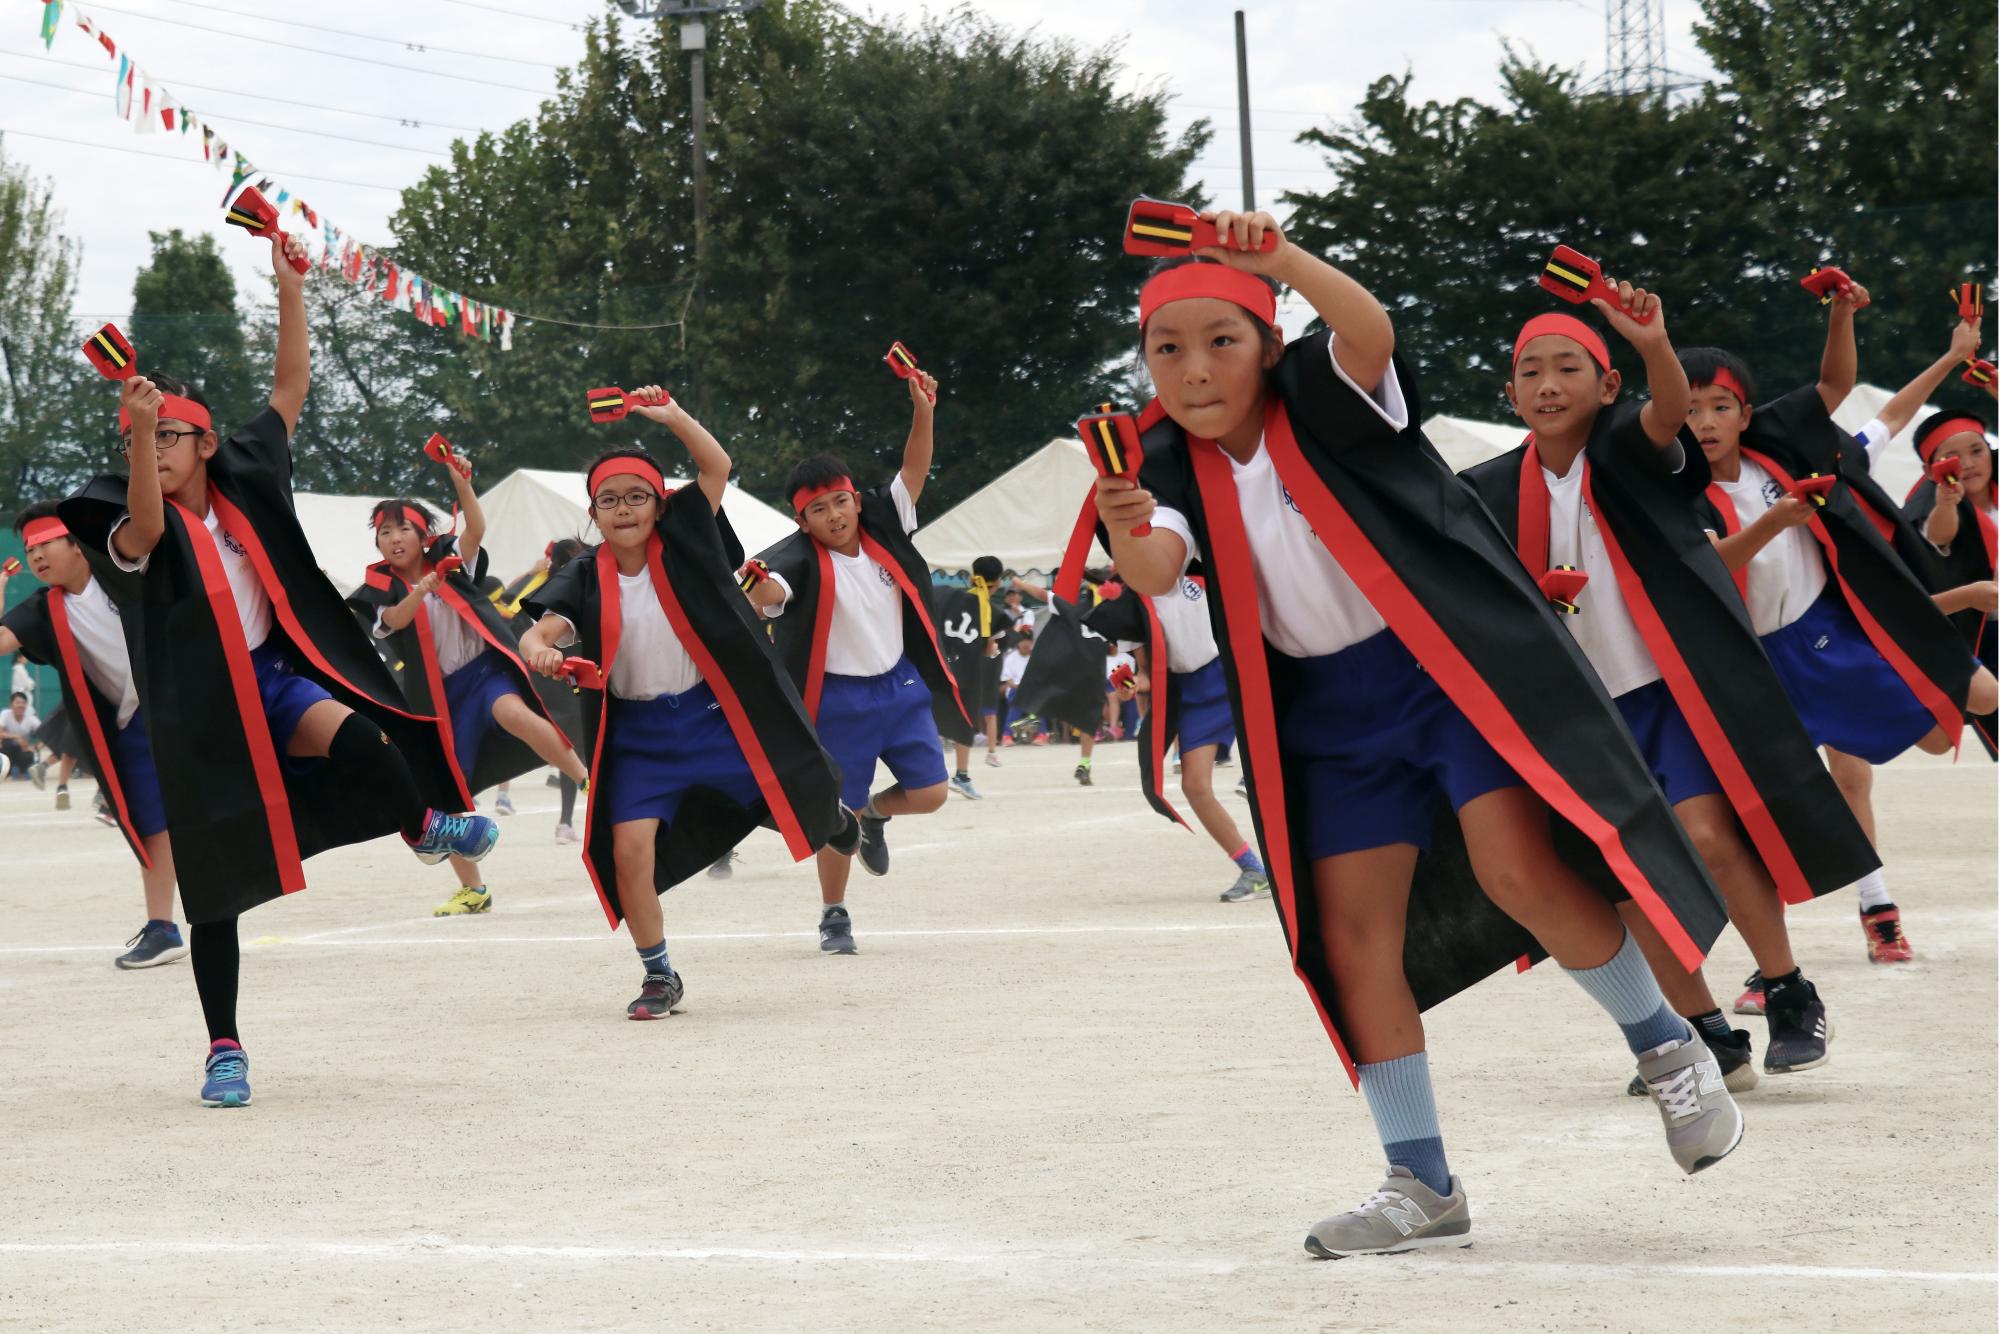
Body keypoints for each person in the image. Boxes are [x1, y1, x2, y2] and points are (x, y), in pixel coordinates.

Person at [1091, 210, 1740, 1258]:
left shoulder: (1323, 392)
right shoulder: (1159, 457)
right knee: (1351, 943)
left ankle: (1667, 1047)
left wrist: (1282, 260)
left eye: (1221, 340)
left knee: (1516, 867)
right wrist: (1125, 522)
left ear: (1266, 343)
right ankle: (1420, 1180)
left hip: (1438, 675)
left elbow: (1371, 332)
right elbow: (1156, 572)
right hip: (1321, 716)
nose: (1193, 369)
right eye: (1166, 348)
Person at [59, 231, 498, 1107]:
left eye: (172, 438)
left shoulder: (249, 471)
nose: (155, 451)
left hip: (267, 676)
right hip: (195, 713)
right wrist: (140, 430)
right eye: (144, 441)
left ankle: (421, 826)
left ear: (208, 441)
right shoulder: (117, 514)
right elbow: (147, 532)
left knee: (366, 741)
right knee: (213, 893)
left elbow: (290, 385)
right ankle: (224, 1047)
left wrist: (291, 285)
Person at [1461, 303, 1878, 1087]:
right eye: (1530, 372)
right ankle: (1705, 1031)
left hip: (1666, 691)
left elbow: (1666, 408)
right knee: (1623, 882)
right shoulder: (1482, 489)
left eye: (1568, 368)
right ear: (1510, 393)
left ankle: (1787, 988)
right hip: (1578, 717)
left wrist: (1653, 341)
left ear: (1607, 381)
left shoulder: (1630, 448)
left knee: (1713, 841)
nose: (1548, 386)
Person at [1675, 308, 1997, 1008]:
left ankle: (1875, 911)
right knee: (1774, 808)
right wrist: (1775, 520)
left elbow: (1869, 403)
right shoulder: (1677, 494)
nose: (1705, 419)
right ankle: (1803, 952)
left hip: (1826, 638)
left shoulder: (1792, 455)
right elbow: (1702, 573)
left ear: (1745, 411)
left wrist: (1871, 324)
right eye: (1690, 407)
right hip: (1756, 663)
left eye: (1720, 405)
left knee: (1964, 710)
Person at [519, 390, 856, 1018]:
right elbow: (543, 626)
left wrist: (670, 416)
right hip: (638, 738)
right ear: (594, 513)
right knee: (628, 853)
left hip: (711, 720)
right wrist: (539, 647)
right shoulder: (586, 573)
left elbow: (717, 468)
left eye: (636, 496)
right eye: (609, 500)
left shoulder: (688, 545)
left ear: (658, 504)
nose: (623, 509)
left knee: (798, 799)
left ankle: (832, 818)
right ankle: (659, 975)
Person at [741, 366, 959, 953]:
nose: (835, 516)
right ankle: (833, 914)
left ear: (855, 500)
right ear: (801, 521)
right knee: (833, 822)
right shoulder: (796, 561)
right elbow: (767, 597)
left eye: (842, 502)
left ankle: (877, 816)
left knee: (933, 794)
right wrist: (751, 588)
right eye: (820, 511)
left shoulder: (886, 524)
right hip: (838, 700)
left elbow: (915, 466)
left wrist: (924, 408)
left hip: (899, 685)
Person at [351, 453, 591, 916]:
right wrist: (423, 588)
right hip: (439, 697)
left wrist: (462, 483)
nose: (394, 538)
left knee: (515, 713)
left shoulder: (453, 560)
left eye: (404, 529)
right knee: (447, 791)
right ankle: (474, 889)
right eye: (385, 531)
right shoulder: (377, 588)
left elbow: (475, 529)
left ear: (425, 536)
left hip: (485, 672)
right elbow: (395, 621)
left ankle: (586, 783)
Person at [1, 503, 186, 969]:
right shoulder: (44, 608)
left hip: (180, 700)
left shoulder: (123, 572)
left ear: (76, 543)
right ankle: (163, 928)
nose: (36, 555)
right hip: (128, 721)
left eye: (45, 542)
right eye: (29, 549)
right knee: (148, 826)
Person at [1085, 569, 1270, 902]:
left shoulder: (1191, 564)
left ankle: (1302, 858)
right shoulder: (1127, 607)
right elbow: (1147, 673)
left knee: (1285, 754)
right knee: (1194, 786)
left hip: (1232, 669)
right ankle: (1254, 870)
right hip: (1191, 691)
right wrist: (1132, 686)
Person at [934, 555, 1012, 795]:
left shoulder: (946, 596)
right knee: (964, 719)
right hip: (967, 672)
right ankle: (962, 775)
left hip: (939, 666)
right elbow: (989, 648)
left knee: (931, 717)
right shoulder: (990, 610)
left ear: (971, 575)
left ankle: (930, 774)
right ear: (997, 583)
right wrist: (993, 649)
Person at [0, 688, 36, 780]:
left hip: (22, 750)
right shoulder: (5, 714)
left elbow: (45, 733)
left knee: (29, 754)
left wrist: (36, 747)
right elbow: (1, 733)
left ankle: (21, 770)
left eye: (23, 703)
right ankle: (8, 769)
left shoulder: (31, 718)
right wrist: (17, 737)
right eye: (17, 702)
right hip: (8, 749)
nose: (21, 705)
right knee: (6, 743)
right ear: (11, 705)